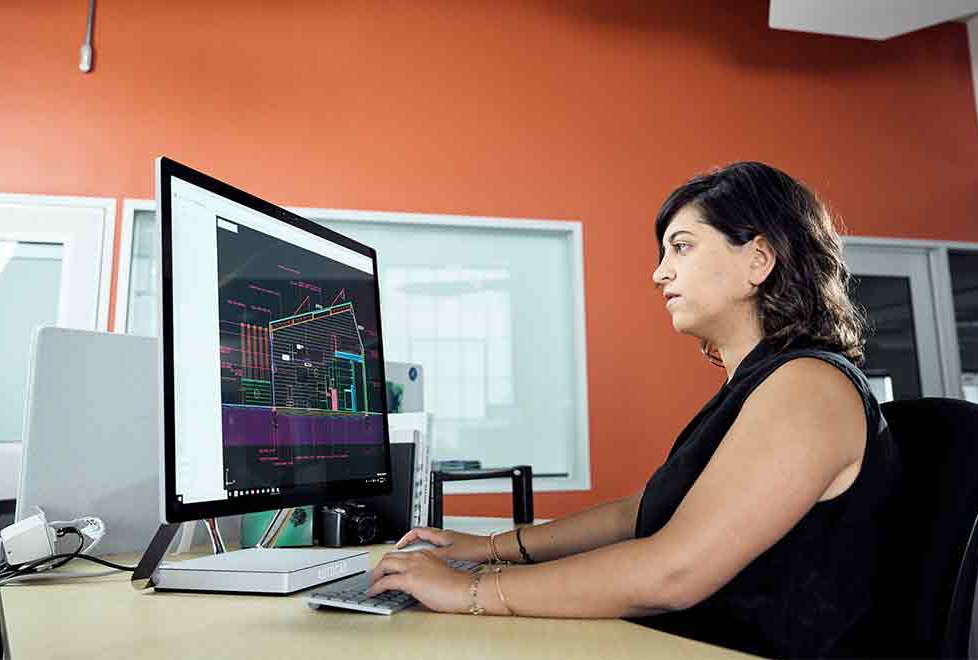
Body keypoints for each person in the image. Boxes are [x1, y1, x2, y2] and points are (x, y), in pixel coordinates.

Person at [365, 162, 900, 658]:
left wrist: (471, 591)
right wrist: (490, 548)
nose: (659, 274)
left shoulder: (808, 388)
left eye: (681, 247)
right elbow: (638, 514)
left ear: (758, 260)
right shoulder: (757, 385)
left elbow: (674, 573)